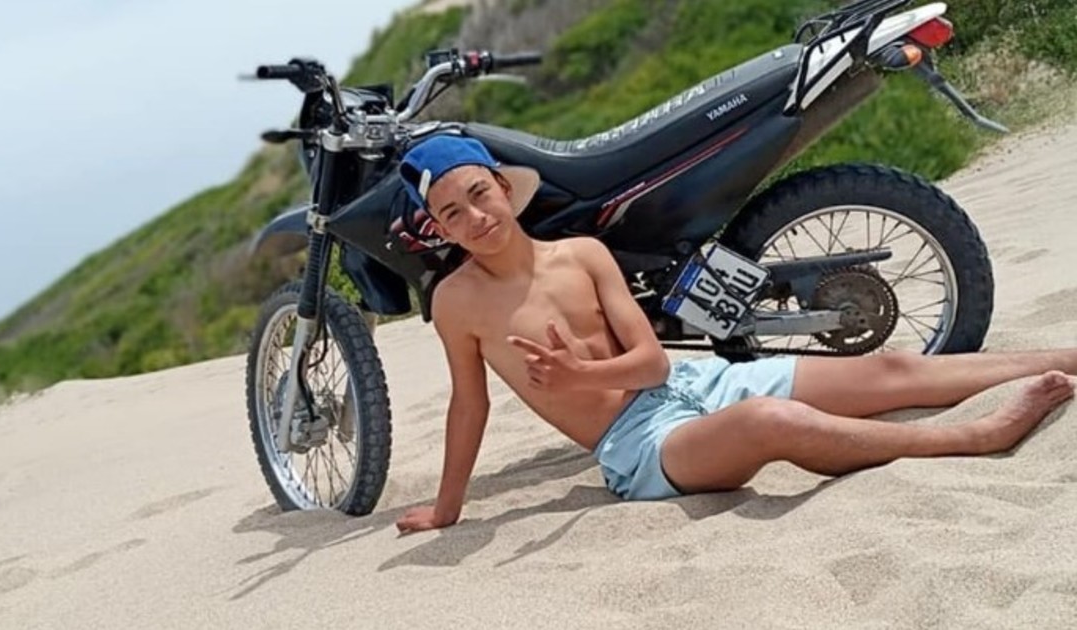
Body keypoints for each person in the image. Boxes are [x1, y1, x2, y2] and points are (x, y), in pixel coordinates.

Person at [392, 134, 1076, 534]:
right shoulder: (456, 303)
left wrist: (581, 374)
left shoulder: (583, 256)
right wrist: (447, 510)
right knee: (772, 422)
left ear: (502, 188)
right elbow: (469, 405)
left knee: (890, 372)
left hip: (694, 383)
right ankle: (976, 436)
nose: (475, 218)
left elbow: (654, 364)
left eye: (478, 194)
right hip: (639, 445)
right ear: (440, 229)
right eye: (452, 214)